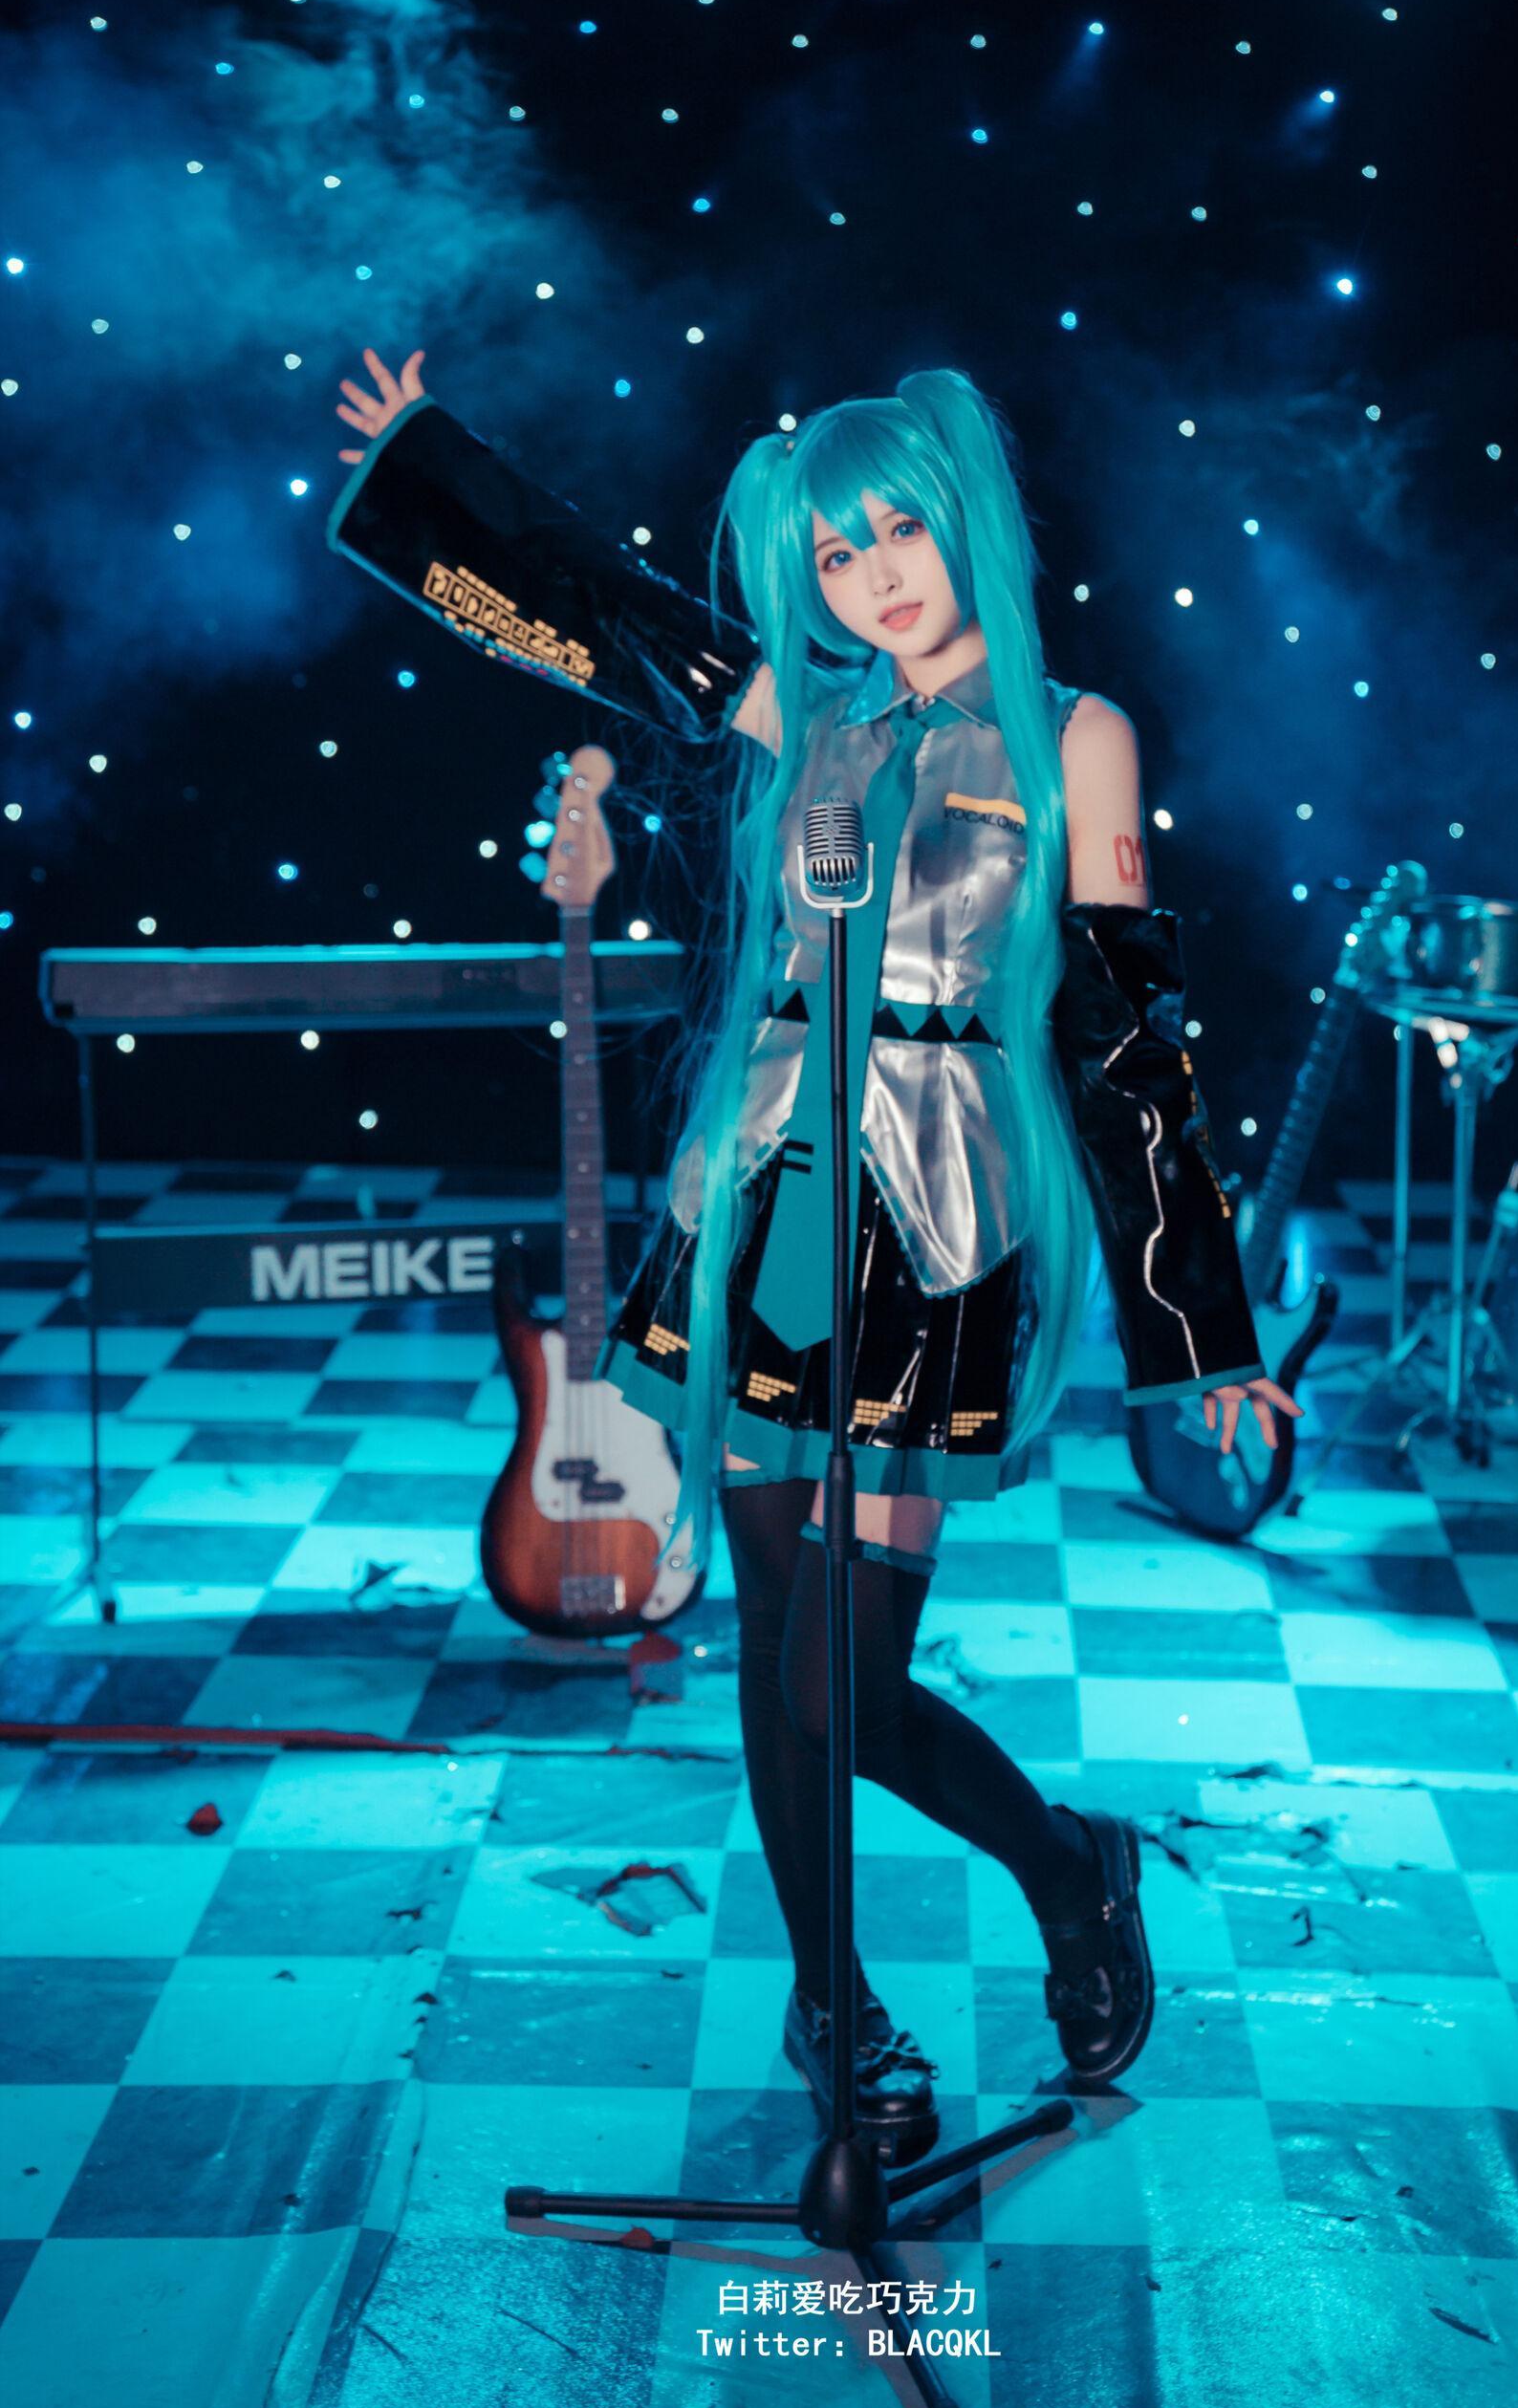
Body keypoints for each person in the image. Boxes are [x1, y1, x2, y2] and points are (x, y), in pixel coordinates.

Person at [332, 346, 1301, 2168]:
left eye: (899, 532)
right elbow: (604, 610)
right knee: (779, 1637)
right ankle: (834, 2004)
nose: (875, 578)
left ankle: (1064, 1865)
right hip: (766, 1205)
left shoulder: (1076, 736)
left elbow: (1123, 1042)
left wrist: (1202, 1329)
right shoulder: (811, 713)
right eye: (839, 554)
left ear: (965, 518)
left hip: (944, 1228)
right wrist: (426, 467)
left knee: (837, 1678)